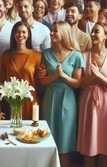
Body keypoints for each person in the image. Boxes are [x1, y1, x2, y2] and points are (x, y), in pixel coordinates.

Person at [77, 22, 107, 167]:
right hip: (88, 100)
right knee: (88, 144)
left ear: (106, 36)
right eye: (92, 31)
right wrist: (92, 77)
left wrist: (99, 76)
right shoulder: (84, 55)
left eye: (97, 31)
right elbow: (81, 83)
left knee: (106, 144)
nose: (93, 34)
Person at [39, 21, 83, 167]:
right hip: (50, 97)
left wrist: (63, 76)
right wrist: (54, 76)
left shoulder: (76, 55)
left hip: (68, 98)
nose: (51, 33)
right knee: (48, 136)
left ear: (63, 33)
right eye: (51, 30)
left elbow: (78, 83)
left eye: (55, 31)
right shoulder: (45, 54)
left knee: (65, 138)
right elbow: (42, 81)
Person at [0, 21, 44, 119]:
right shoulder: (6, 55)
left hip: (30, 101)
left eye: (24, 32)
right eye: (18, 32)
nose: (21, 35)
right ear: (13, 34)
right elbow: (2, 80)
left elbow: (40, 80)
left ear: (28, 35)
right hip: (11, 102)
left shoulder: (36, 55)